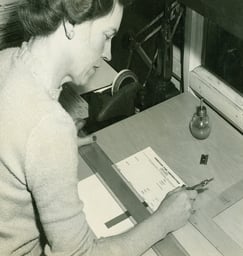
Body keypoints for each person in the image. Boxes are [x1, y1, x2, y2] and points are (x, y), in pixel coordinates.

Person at [0, 0, 197, 255]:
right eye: (107, 36)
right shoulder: (48, 128)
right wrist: (162, 221)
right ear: (71, 23)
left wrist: (55, 148)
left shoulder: (6, 60)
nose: (109, 53)